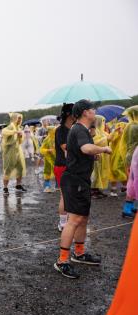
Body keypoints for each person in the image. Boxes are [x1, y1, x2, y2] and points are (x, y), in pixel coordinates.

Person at [54, 100, 112, 279]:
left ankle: (79, 253)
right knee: (75, 219)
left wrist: (90, 158)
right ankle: (62, 261)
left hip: (81, 180)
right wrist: (103, 149)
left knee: (83, 218)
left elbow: (78, 151)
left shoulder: (81, 130)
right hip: (75, 180)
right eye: (93, 109)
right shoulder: (79, 129)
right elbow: (86, 148)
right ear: (86, 112)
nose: (95, 112)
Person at [54, 103, 75, 231]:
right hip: (62, 166)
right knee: (64, 195)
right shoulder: (60, 130)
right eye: (75, 112)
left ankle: (67, 220)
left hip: (71, 166)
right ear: (69, 114)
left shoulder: (73, 129)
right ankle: (62, 223)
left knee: (70, 195)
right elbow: (64, 147)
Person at [1, 113, 27, 194]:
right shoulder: (11, 126)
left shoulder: (18, 127)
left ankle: (18, 185)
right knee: (8, 168)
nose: (20, 120)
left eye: (20, 118)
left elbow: (20, 141)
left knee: (20, 168)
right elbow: (4, 131)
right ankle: (5, 188)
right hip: (10, 152)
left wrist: (20, 136)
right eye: (18, 118)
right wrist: (15, 132)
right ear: (14, 119)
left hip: (17, 151)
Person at [121, 107, 138, 217]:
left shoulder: (129, 125)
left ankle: (128, 208)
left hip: (130, 154)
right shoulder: (135, 126)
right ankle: (132, 207)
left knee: (131, 181)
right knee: (135, 180)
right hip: (135, 155)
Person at [90, 115, 111, 199]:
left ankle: (97, 190)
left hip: (102, 155)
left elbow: (109, 138)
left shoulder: (102, 132)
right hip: (96, 155)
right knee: (94, 174)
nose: (104, 123)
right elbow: (94, 142)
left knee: (99, 173)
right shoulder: (93, 131)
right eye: (103, 121)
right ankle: (92, 191)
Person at [108, 121, 127, 196]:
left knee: (123, 170)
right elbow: (110, 139)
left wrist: (122, 133)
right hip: (114, 155)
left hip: (122, 155)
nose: (120, 128)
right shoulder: (114, 133)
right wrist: (116, 133)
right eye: (119, 126)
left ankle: (125, 186)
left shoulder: (126, 134)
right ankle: (114, 189)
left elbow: (127, 142)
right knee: (113, 170)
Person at [40, 126, 56, 192]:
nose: (54, 131)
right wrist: (48, 150)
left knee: (58, 172)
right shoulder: (46, 139)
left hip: (57, 158)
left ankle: (58, 186)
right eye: (52, 130)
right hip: (48, 158)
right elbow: (41, 149)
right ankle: (47, 186)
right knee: (47, 171)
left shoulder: (57, 138)